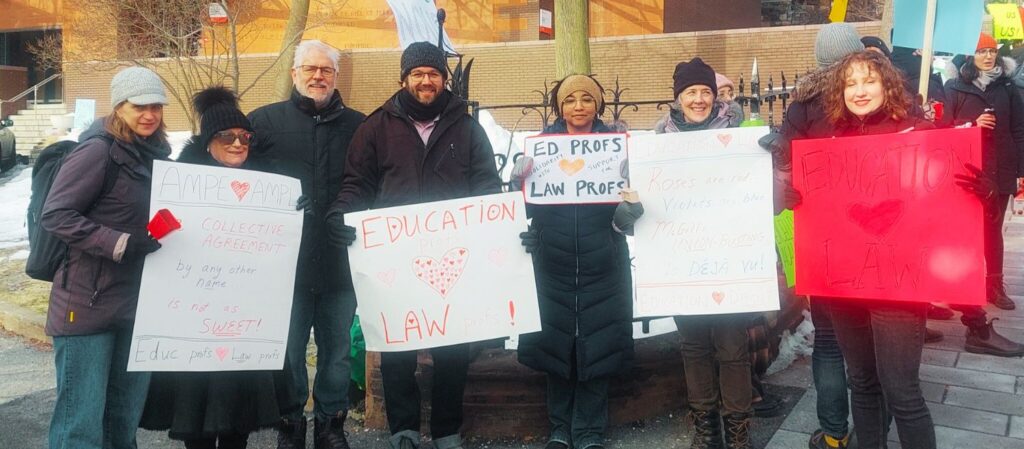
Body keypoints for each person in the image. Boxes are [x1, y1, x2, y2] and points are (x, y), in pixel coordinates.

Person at [325, 41, 501, 449]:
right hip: (395, 256)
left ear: (444, 79)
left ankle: (446, 430)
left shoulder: (467, 128)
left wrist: (504, 232)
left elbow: (488, 190)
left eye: (433, 74)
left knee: (453, 348)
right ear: (403, 79)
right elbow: (357, 185)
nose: (426, 81)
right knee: (397, 348)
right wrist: (340, 214)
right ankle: (403, 428)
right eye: (418, 74)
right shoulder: (375, 128)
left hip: (454, 256)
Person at [139, 86, 303, 449]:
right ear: (208, 141)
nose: (237, 143)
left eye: (244, 136)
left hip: (243, 316)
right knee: (194, 411)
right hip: (194, 315)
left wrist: (291, 212)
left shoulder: (267, 184)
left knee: (239, 415)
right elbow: (155, 234)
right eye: (226, 136)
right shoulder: (181, 182)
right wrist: (159, 226)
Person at [623, 58, 751, 449]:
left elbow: (770, 198)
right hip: (681, 261)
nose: (699, 99)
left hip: (729, 259)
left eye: (706, 92)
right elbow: (632, 203)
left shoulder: (741, 135)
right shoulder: (655, 144)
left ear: (716, 96)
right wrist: (629, 206)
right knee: (693, 346)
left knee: (733, 347)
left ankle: (739, 430)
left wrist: (772, 160)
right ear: (677, 97)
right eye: (691, 92)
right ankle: (706, 428)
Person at [813, 50, 938, 449]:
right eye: (850, 83)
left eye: (868, 80)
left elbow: (941, 198)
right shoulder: (831, 140)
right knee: (862, 383)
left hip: (899, 285)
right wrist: (798, 194)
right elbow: (824, 211)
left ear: (886, 84)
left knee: (901, 390)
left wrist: (979, 188)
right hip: (846, 283)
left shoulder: (917, 132)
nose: (859, 91)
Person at [42, 66, 170, 449]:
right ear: (118, 107)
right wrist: (118, 243)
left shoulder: (156, 155)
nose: (149, 114)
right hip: (86, 305)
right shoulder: (97, 151)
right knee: (79, 426)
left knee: (122, 421)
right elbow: (56, 214)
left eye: (157, 106)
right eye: (139, 106)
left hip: (138, 305)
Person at [247, 39, 366, 449]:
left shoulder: (360, 126)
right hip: (285, 265)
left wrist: (353, 213)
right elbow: (236, 177)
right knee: (288, 350)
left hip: (340, 260)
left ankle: (331, 424)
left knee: (336, 353)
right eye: (310, 69)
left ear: (335, 77)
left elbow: (373, 181)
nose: (318, 76)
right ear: (295, 74)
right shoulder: (262, 123)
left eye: (326, 70)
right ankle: (291, 423)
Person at [510, 74, 634, 449]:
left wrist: (634, 196)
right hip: (552, 263)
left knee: (598, 348)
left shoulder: (615, 151)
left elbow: (629, 218)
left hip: (604, 262)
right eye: (569, 100)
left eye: (586, 99)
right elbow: (523, 210)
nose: (578, 106)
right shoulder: (541, 151)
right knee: (556, 346)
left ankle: (590, 430)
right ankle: (560, 428)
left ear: (598, 105)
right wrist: (519, 181)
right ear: (558, 107)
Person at [939, 33, 1024, 312]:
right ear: (969, 56)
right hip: (968, 173)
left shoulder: (1008, 87)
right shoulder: (954, 87)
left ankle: (994, 285)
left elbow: (1019, 130)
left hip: (1001, 169)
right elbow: (945, 129)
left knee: (993, 229)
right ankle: (962, 285)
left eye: (991, 51)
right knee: (964, 232)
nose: (988, 56)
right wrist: (971, 124)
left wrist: (1021, 170)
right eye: (981, 51)